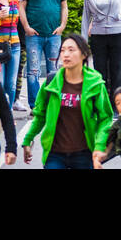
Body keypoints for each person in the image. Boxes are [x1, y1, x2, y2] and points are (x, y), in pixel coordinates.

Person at [21, 34, 113, 169]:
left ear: (84, 54)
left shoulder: (95, 83)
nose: (65, 54)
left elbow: (105, 118)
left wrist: (99, 147)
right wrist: (28, 140)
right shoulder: (51, 82)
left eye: (71, 50)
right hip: (55, 153)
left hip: (84, 153)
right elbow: (40, 115)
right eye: (63, 50)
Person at [19, 0, 68, 110]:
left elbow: (64, 6)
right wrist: (26, 27)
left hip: (54, 35)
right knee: (33, 71)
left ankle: (52, 104)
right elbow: (21, 6)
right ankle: (35, 105)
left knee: (53, 71)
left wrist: (62, 26)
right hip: (34, 35)